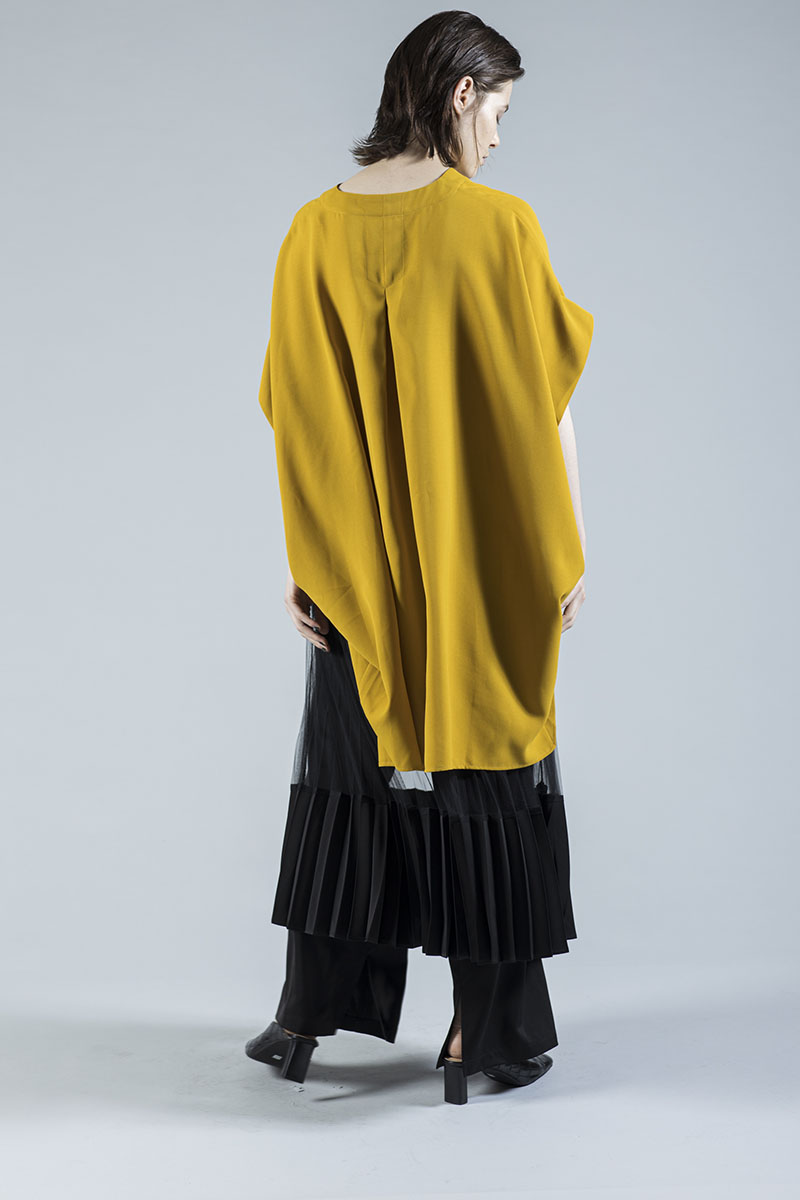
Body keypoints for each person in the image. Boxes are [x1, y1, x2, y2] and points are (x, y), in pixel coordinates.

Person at [246, 11, 593, 1105]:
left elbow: (294, 415)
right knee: (485, 760)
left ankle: (307, 1017)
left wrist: (305, 556)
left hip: (352, 566)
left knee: (348, 766)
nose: (497, 136)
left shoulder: (311, 231)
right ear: (459, 93)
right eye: (498, 111)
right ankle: (481, 1033)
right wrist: (568, 548)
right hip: (476, 557)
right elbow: (544, 404)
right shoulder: (499, 226)